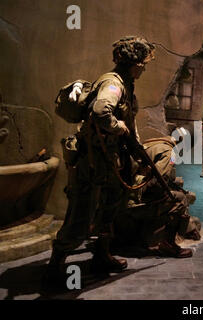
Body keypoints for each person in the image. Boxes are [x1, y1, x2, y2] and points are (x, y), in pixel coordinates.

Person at [45, 36, 156, 286]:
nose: (145, 68)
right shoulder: (113, 83)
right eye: (143, 63)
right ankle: (55, 265)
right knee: (81, 215)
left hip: (110, 164)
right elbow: (100, 111)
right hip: (94, 164)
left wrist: (139, 153)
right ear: (135, 63)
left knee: (109, 210)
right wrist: (119, 128)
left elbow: (129, 124)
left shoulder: (126, 83)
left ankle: (102, 255)